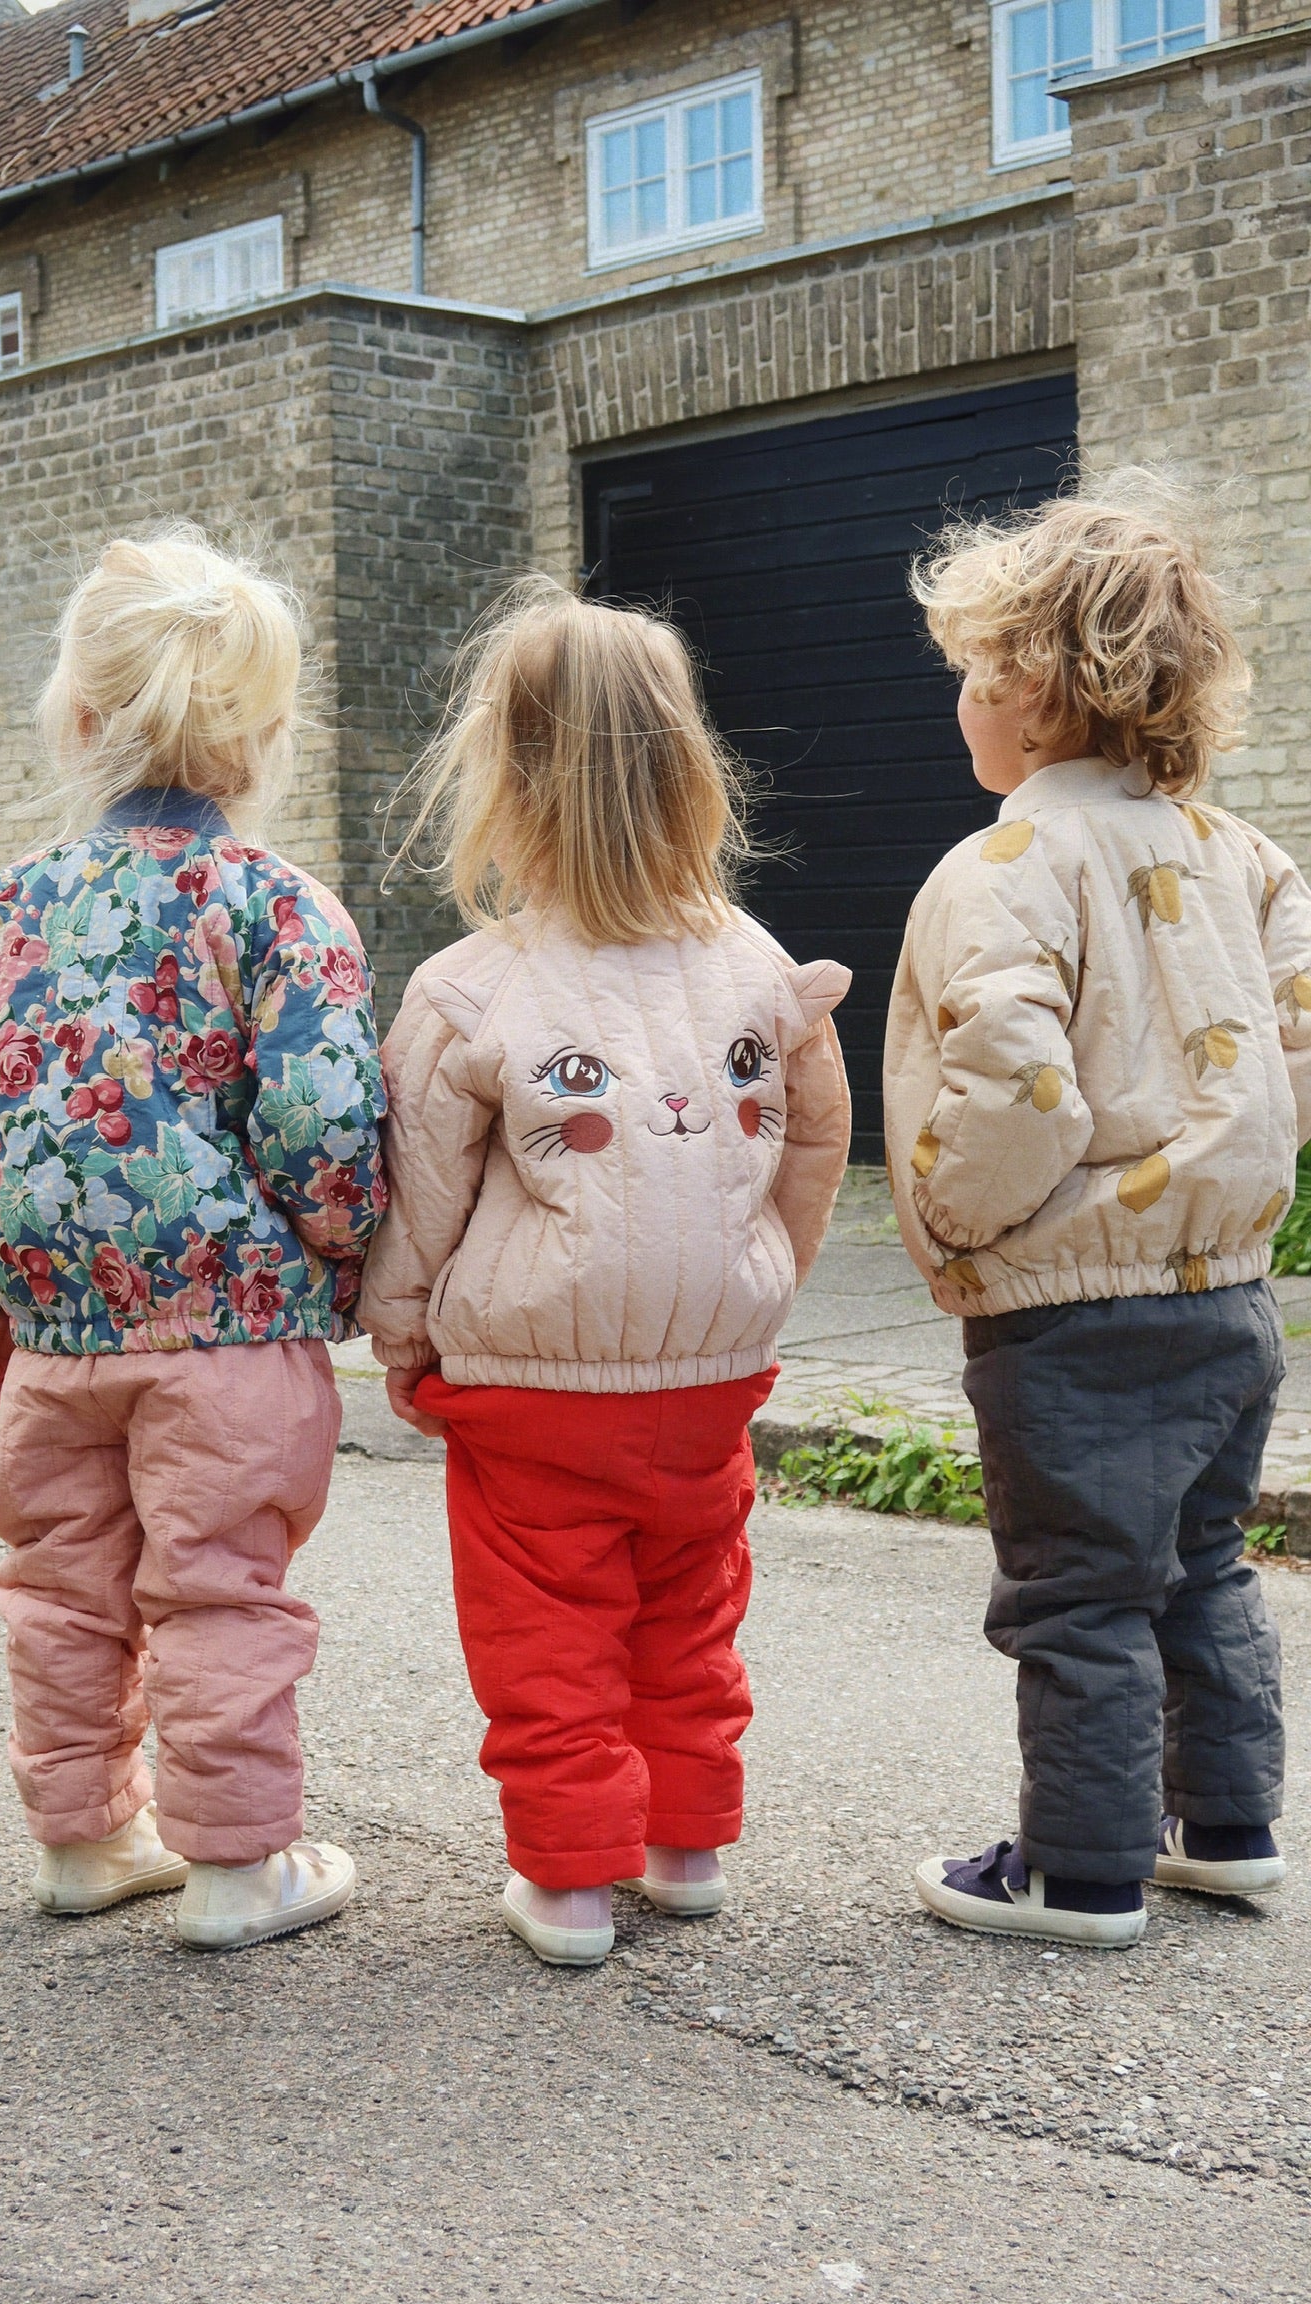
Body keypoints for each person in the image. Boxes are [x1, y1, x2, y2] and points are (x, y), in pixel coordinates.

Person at [358, 577, 851, 1967]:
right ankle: (686, 1846)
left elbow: (421, 1193)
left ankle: (569, 1881)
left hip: (532, 1381)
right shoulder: (755, 962)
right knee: (691, 1607)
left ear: (506, 785)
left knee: (546, 1628)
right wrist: (768, 1270)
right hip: (711, 1370)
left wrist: (402, 1335)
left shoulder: (469, 989)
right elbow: (816, 1138)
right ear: (692, 772)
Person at [0, 526, 385, 1950]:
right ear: (266, 736)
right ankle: (238, 1867)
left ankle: (84, 1840)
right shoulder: (281, 908)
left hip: (57, 1340)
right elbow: (323, 1129)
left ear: (75, 714)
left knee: (62, 1587)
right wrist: (344, 1257)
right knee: (219, 1588)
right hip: (234, 1338)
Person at [884, 475, 1309, 1947]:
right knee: (1202, 1563)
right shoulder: (1244, 856)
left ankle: (1080, 1872)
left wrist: (955, 1220)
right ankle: (1229, 1829)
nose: (961, 705)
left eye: (971, 676)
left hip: (1070, 1304)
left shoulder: (1004, 866)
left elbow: (1015, 1081)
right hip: (1228, 1292)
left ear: (1034, 690)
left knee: (1076, 1593)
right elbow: (1296, 1048)